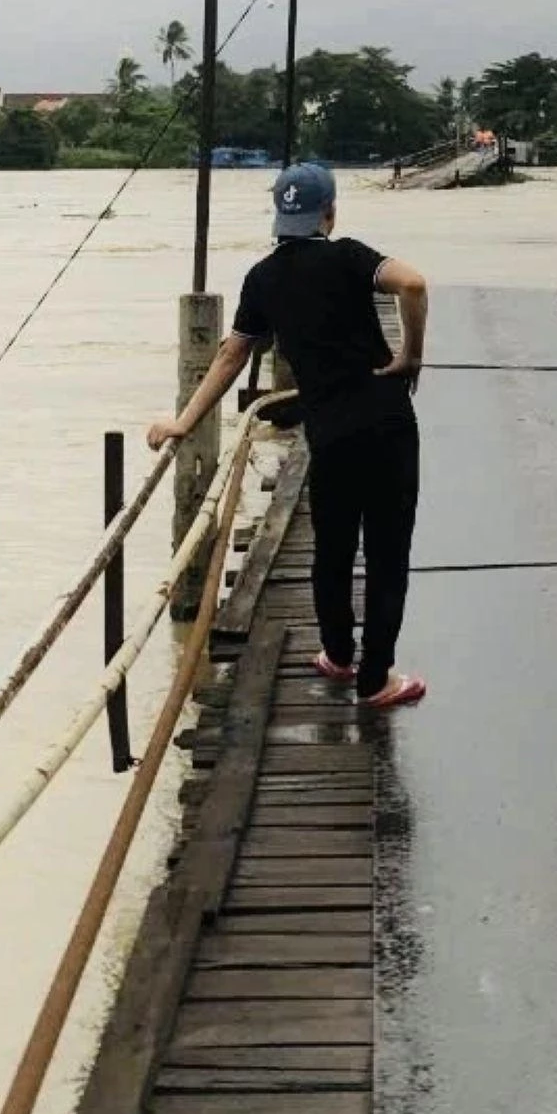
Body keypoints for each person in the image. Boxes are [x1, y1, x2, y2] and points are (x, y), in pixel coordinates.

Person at [147, 162, 429, 709]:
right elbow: (413, 283)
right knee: (387, 553)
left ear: (279, 216)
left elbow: (232, 355)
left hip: (330, 434)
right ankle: (376, 680)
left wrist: (184, 422)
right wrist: (410, 355)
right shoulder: (349, 256)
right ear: (329, 213)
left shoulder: (263, 278)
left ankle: (338, 655)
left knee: (333, 548)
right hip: (388, 425)